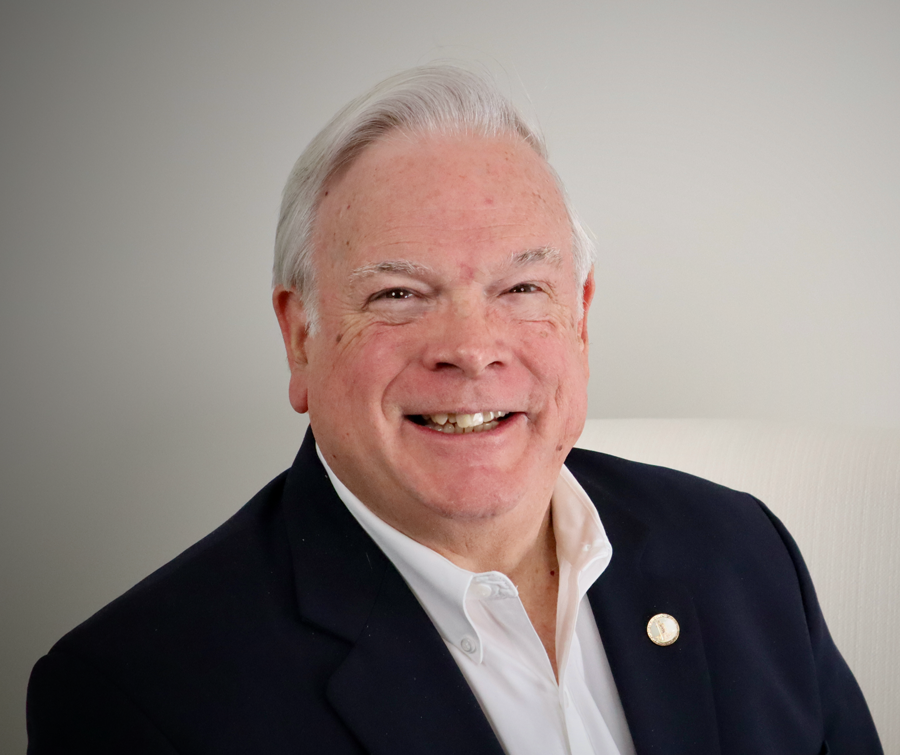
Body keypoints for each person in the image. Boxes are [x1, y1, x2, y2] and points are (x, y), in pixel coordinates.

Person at [27, 65, 881, 755]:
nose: (472, 348)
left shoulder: (742, 553)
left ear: (580, 319)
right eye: (399, 294)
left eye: (522, 287)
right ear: (300, 338)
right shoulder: (138, 696)